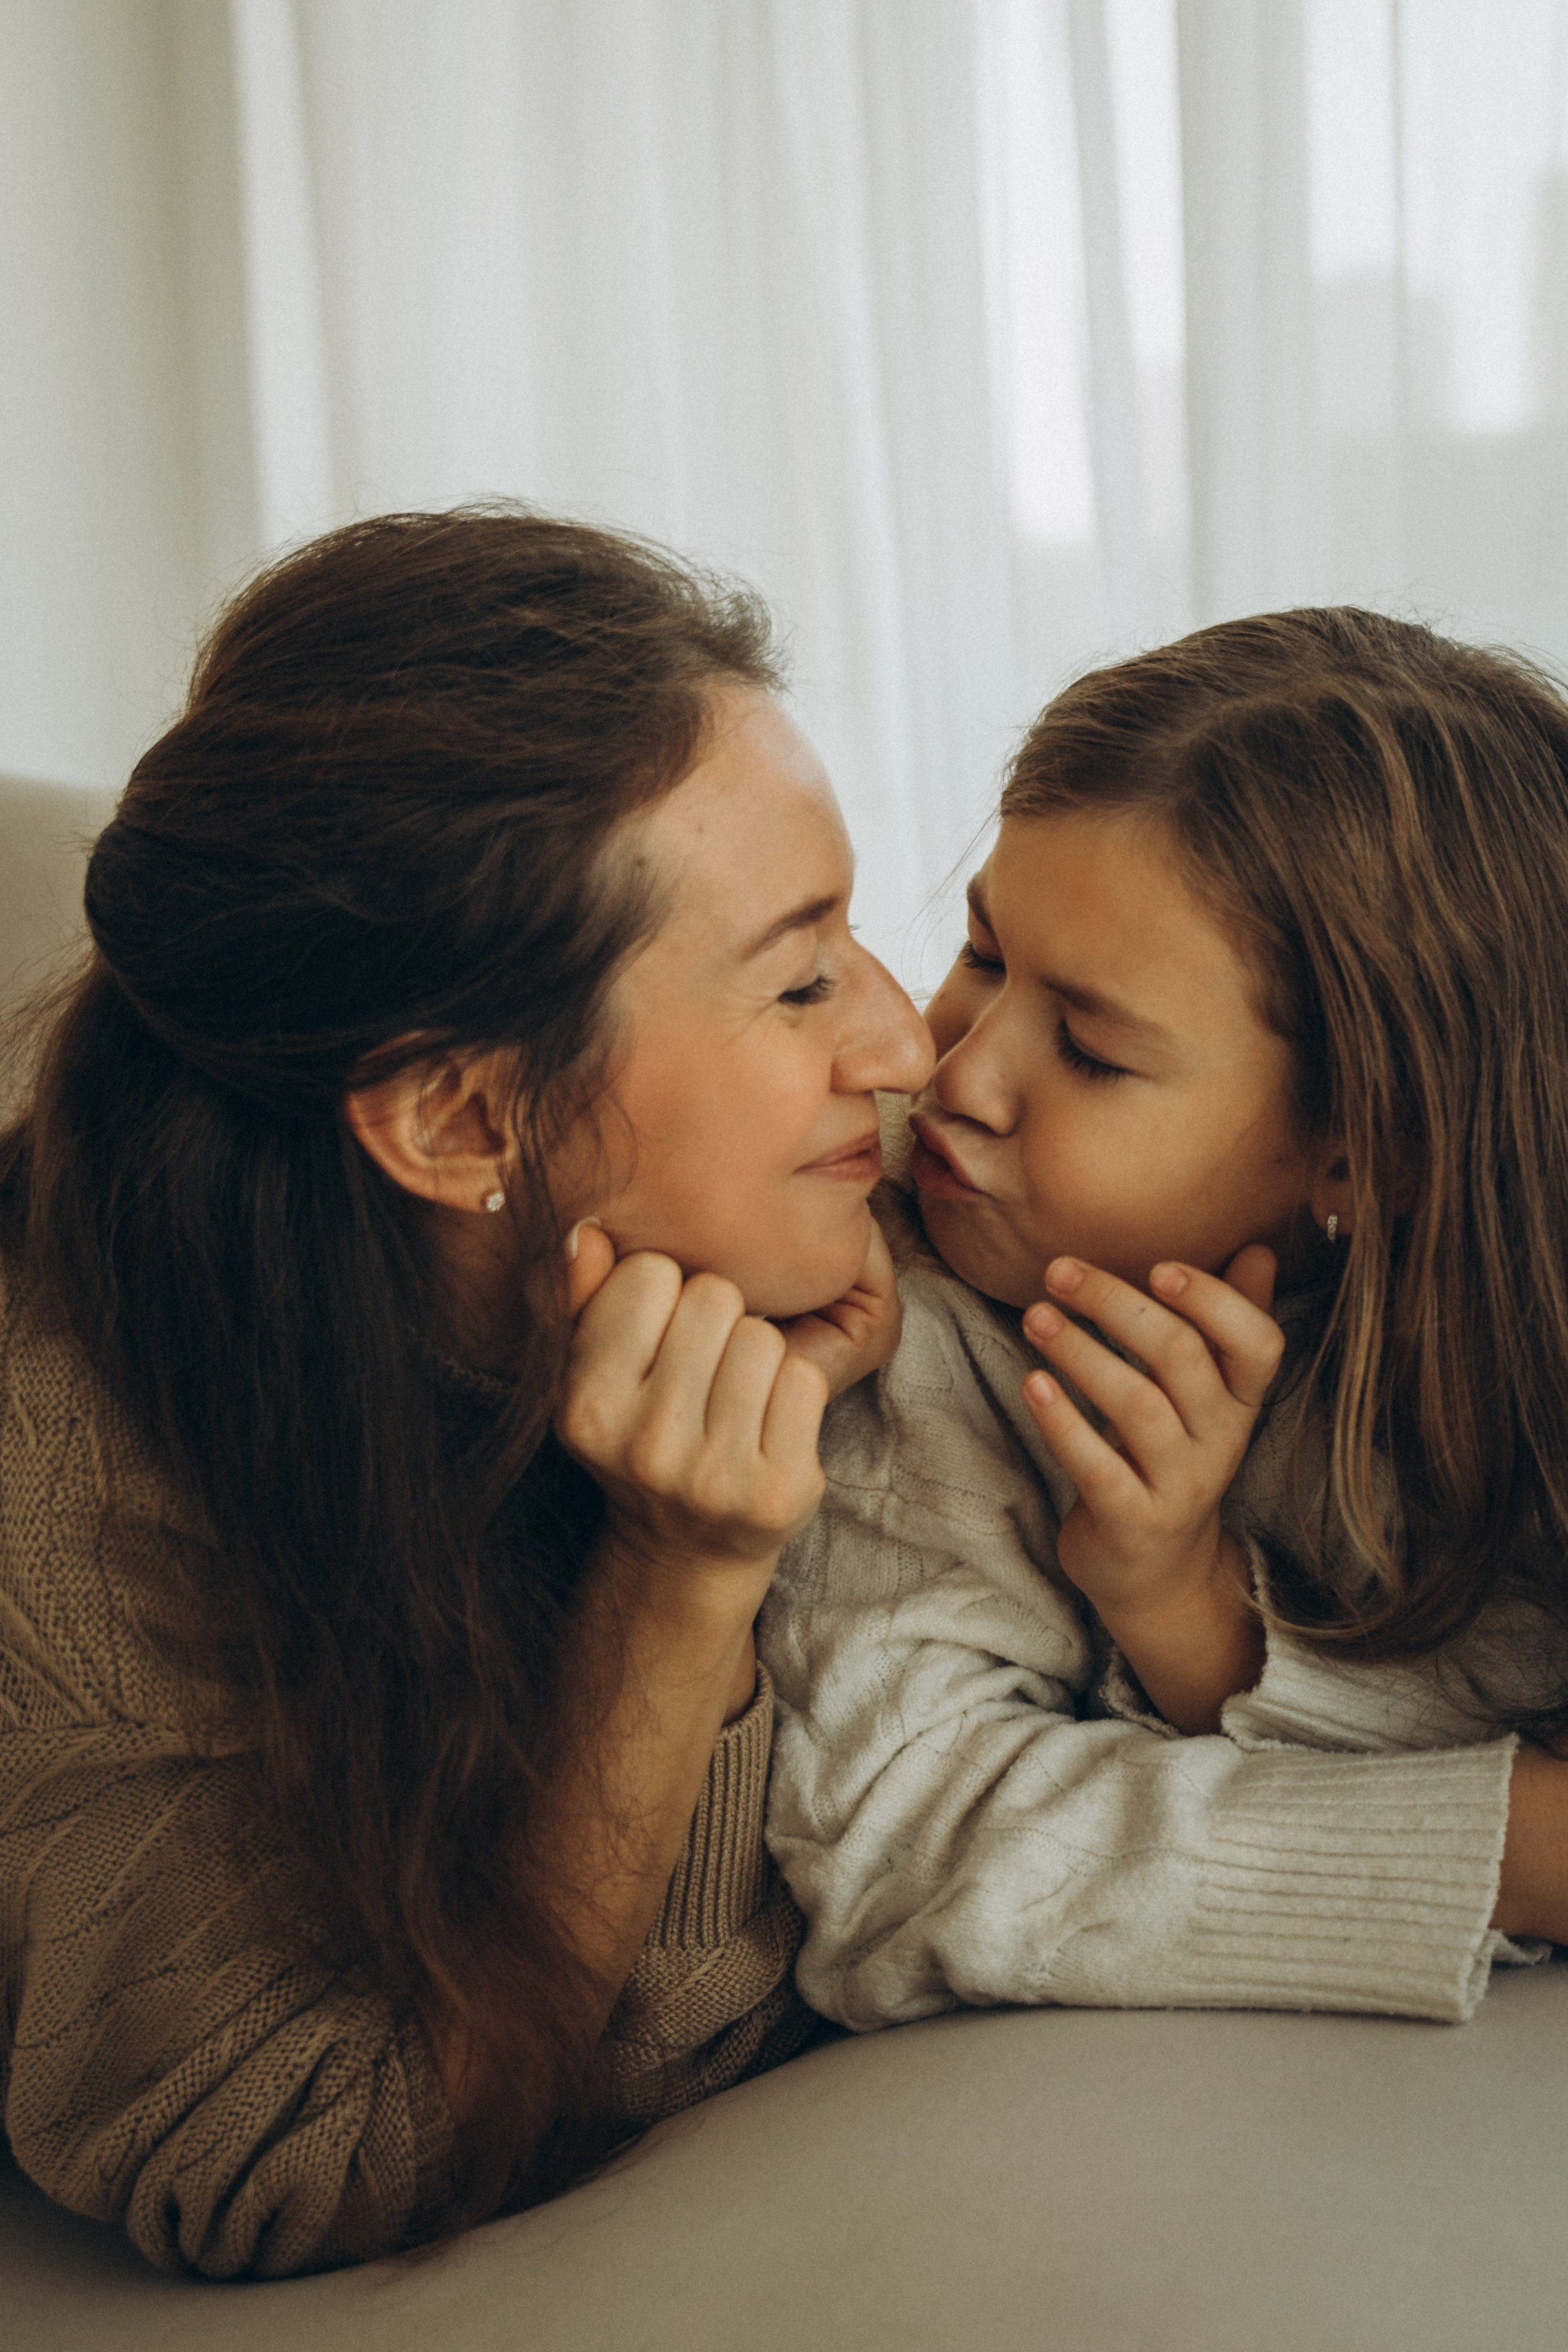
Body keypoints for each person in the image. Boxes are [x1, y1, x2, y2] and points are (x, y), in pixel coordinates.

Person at [0, 508, 931, 2278]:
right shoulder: (58, 1495)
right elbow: (311, 2165)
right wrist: (677, 1588)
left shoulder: (742, 1221)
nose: (903, 1043)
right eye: (802, 977)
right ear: (456, 1120)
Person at [761, 606, 1568, 2037]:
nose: (952, 1075)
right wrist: (1527, 1856)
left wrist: (1191, 1616)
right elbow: (905, 1840)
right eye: (982, 952)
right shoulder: (893, 1281)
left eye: (1087, 1049)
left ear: (1362, 1153)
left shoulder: (1486, 1347)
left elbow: (1511, 1685)